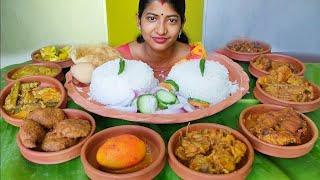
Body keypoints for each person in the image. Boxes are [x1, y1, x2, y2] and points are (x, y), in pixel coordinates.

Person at [117, 0, 206, 81]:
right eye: (152, 18)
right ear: (138, 21)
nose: (161, 31)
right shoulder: (119, 58)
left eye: (172, 20)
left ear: (181, 25)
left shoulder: (196, 58)